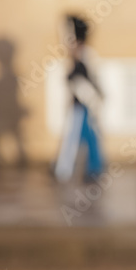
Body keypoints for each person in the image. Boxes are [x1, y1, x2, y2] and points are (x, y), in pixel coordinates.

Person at [54, 14, 106, 183]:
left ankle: (93, 169)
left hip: (87, 102)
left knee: (88, 136)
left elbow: (87, 79)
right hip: (80, 103)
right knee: (81, 135)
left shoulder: (85, 55)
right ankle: (72, 168)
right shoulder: (78, 54)